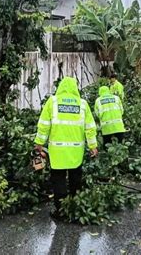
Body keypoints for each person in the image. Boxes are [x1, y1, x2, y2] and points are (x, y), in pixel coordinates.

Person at [34, 77, 98, 219]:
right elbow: (90, 128)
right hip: (76, 151)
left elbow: (44, 125)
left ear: (60, 87)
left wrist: (39, 143)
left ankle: (61, 211)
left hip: (57, 151)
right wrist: (93, 146)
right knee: (76, 178)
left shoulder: (53, 102)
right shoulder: (82, 104)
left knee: (59, 180)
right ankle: (75, 207)